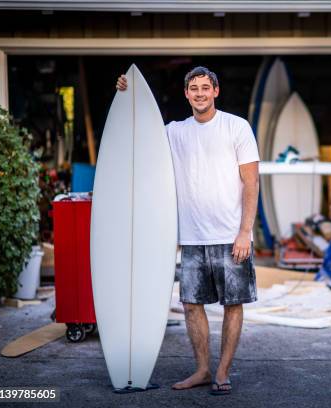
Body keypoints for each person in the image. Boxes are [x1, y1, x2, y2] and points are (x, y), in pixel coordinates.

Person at [116, 66, 260, 396]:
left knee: (232, 304)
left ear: (216, 91)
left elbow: (251, 182)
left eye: (205, 87)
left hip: (230, 236)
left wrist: (245, 231)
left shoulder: (236, 127)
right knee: (191, 305)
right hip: (191, 237)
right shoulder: (174, 132)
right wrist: (125, 94)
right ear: (186, 94)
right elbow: (137, 130)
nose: (199, 93)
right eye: (193, 88)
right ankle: (202, 369)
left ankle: (222, 371)